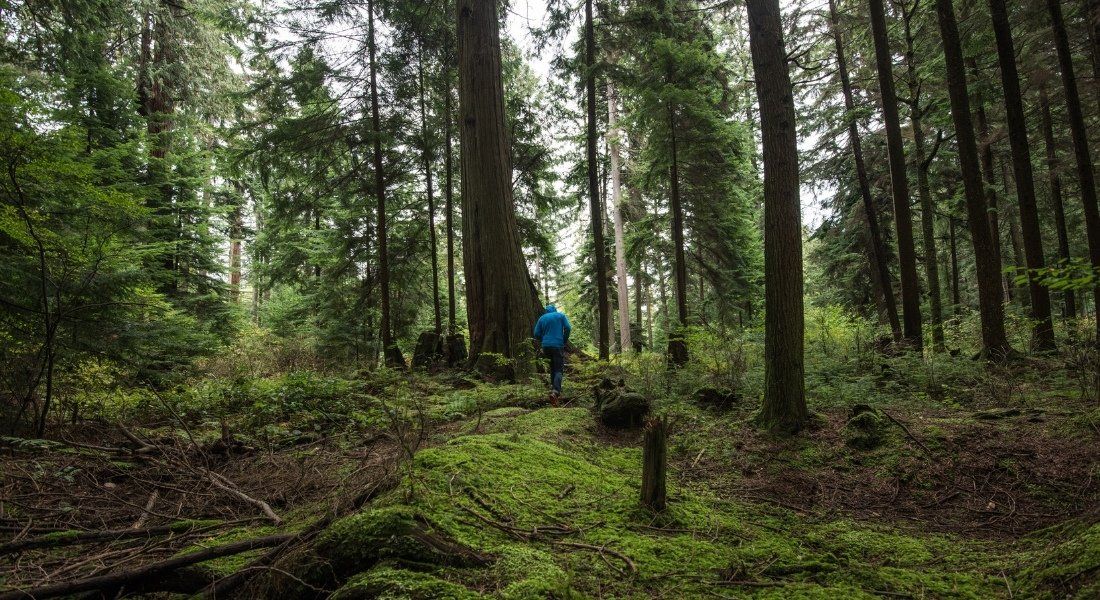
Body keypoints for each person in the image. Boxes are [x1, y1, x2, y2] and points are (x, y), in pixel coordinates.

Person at [533, 304, 571, 405]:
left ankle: (553, 391)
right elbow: (568, 328)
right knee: (558, 369)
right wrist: (564, 340)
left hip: (546, 346)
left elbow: (536, 333)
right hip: (558, 345)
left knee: (552, 368)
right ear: (555, 310)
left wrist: (544, 340)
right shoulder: (560, 316)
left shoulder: (542, 318)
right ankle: (555, 392)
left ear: (546, 311)